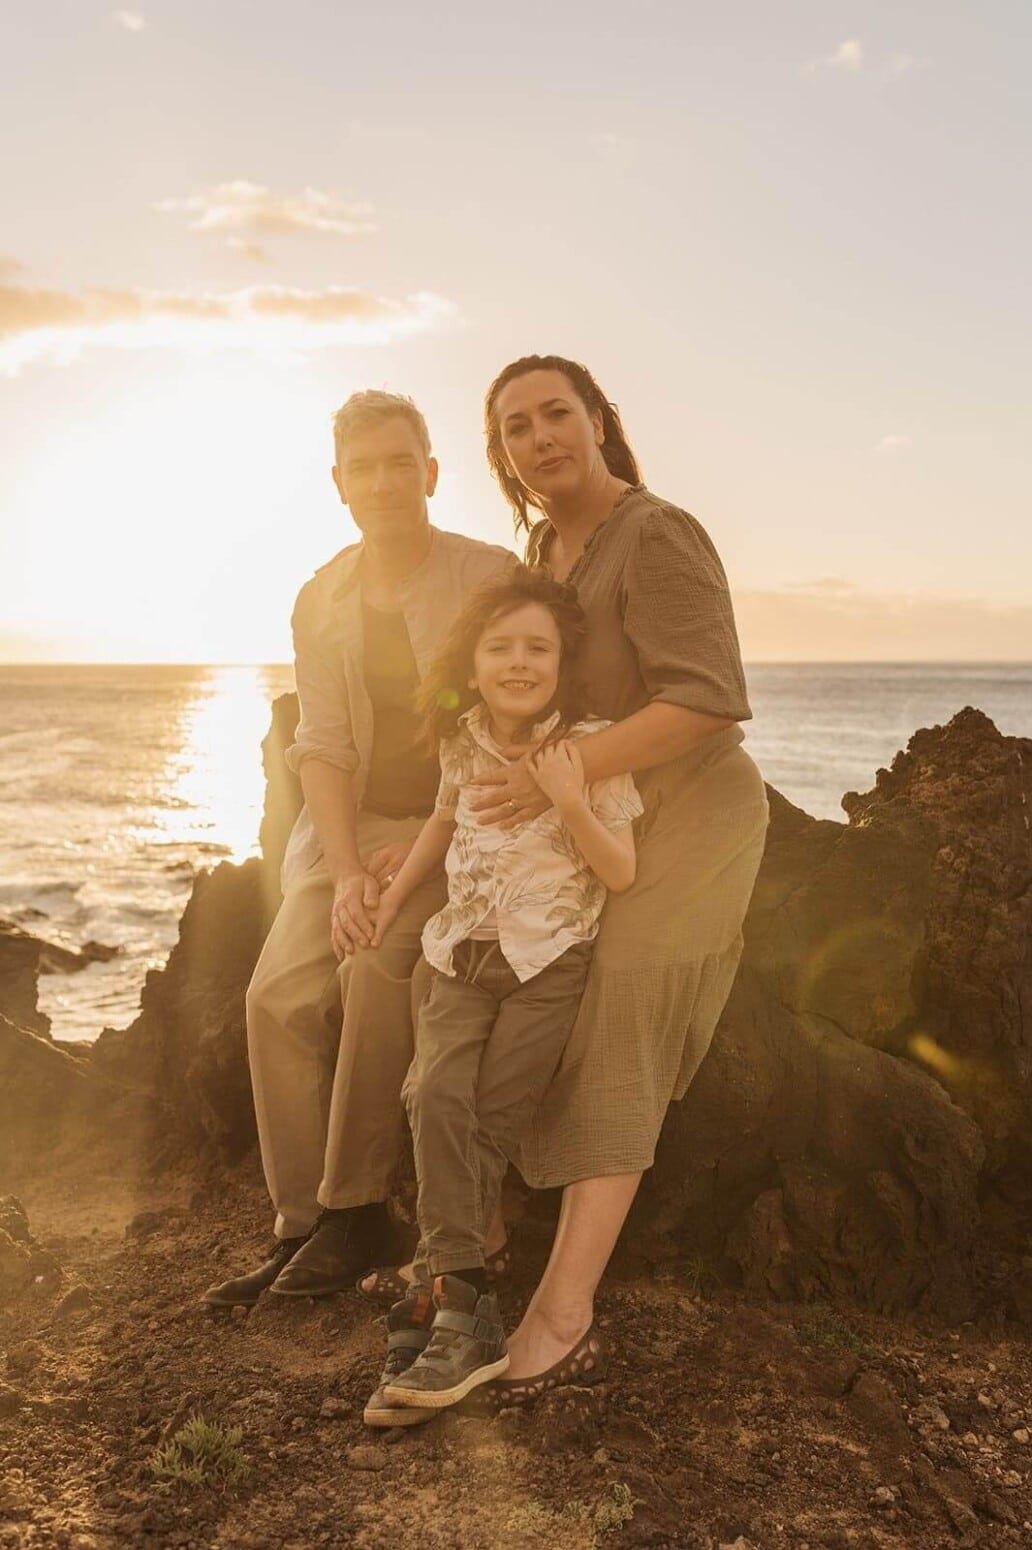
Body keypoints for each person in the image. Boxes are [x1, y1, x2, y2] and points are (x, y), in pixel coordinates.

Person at [460, 354, 770, 1404]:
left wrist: (558, 779)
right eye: (515, 427)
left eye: (558, 414)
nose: (540, 437)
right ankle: (477, 1231)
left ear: (600, 421)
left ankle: (565, 1304)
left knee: (620, 995)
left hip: (693, 816)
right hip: (592, 818)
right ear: (502, 453)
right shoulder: (547, 548)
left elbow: (712, 699)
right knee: (479, 972)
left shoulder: (658, 532)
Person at [203, 390, 514, 1308]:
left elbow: (501, 727)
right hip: (349, 833)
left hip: (460, 826)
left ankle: (359, 1206)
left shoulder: (485, 575)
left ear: (429, 472)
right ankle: (302, 1227)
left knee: (377, 967)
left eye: (398, 462)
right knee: (275, 996)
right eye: (362, 468)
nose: (382, 482)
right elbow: (323, 748)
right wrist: (343, 872)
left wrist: (412, 852)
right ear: (340, 485)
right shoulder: (321, 597)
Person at [360, 567, 642, 1425]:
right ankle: (464, 1302)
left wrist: (568, 795)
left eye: (538, 648)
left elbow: (622, 871)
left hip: (546, 963)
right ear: (473, 663)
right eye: (500, 647)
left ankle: (441, 1294)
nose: (519, 662)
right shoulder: (461, 742)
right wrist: (391, 899)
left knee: (487, 1115)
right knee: (430, 1093)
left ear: (562, 662)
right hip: (460, 955)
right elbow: (443, 827)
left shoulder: (591, 746)